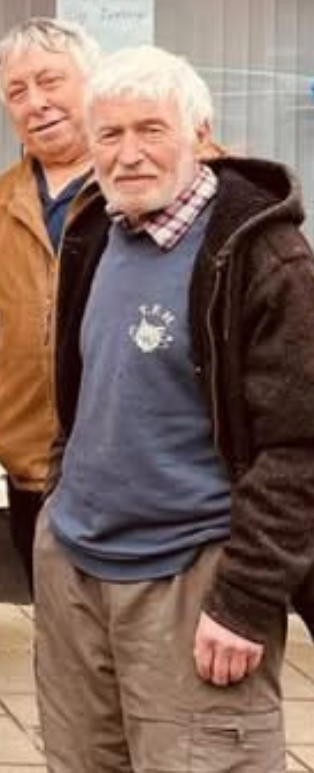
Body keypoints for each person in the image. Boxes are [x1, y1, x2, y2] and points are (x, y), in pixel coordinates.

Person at [35, 44, 314, 771]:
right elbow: (83, 393)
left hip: (192, 576)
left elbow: (300, 447)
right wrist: (58, 502)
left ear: (201, 134)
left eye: (151, 130)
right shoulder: (96, 233)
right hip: (77, 567)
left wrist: (247, 600)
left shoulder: (265, 257)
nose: (128, 154)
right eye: (110, 134)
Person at [0, 17, 100, 593]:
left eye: (51, 81)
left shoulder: (142, 184)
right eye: (18, 92)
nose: (36, 103)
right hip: (32, 470)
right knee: (60, 637)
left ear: (94, 82)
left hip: (137, 475)